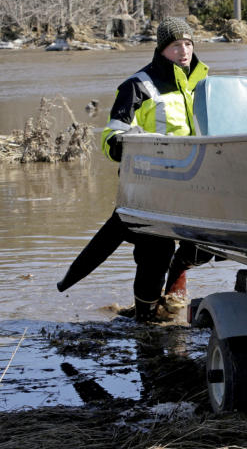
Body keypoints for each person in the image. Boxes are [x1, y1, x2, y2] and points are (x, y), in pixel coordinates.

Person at [57, 17, 213, 322]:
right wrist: (127, 142)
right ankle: (145, 319)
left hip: (196, 184)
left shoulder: (205, 84)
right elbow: (110, 137)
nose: (184, 51)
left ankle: (178, 277)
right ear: (162, 49)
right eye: (176, 45)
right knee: (156, 253)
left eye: (188, 44)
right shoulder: (137, 85)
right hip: (150, 190)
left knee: (211, 243)